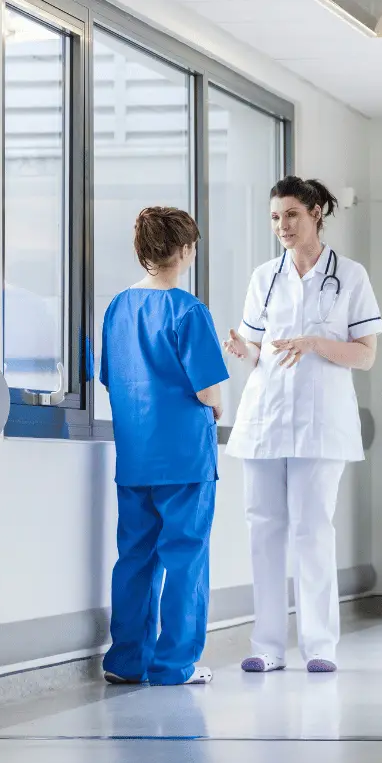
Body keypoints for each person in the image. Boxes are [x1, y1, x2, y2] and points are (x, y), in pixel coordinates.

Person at [222, 176, 382, 674]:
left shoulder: (350, 276)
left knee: (313, 531)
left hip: (321, 422)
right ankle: (267, 646)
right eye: (275, 217)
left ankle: (319, 646)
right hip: (266, 418)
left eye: (291, 214)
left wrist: (314, 342)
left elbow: (366, 355)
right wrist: (240, 348)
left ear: (316, 213)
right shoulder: (264, 276)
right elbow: (257, 348)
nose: (282, 226)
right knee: (264, 530)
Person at [99, 207, 229, 685]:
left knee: (135, 558)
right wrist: (217, 408)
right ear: (186, 250)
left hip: (135, 458)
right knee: (186, 559)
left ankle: (126, 662)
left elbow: (111, 379)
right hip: (185, 460)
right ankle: (175, 665)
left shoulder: (117, 308)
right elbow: (208, 390)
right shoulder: (189, 311)